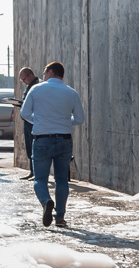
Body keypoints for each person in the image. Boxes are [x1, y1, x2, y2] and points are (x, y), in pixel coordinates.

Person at [20, 61, 86, 229]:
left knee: (40, 179)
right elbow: (79, 119)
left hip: (42, 139)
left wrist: (41, 121)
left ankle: (46, 201)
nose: (42, 76)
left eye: (44, 73)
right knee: (62, 180)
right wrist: (63, 121)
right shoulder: (71, 93)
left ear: (49, 72)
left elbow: (24, 113)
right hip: (64, 140)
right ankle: (60, 218)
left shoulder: (36, 89)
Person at [15, 67, 41, 180]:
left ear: (30, 75)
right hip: (27, 122)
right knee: (29, 147)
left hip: (34, 121)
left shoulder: (38, 86)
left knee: (35, 147)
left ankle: (36, 173)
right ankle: (32, 171)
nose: (23, 82)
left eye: (24, 79)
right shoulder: (29, 86)